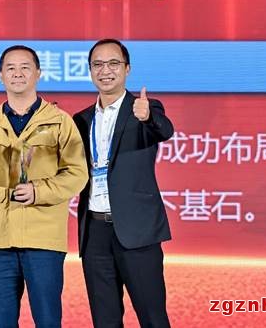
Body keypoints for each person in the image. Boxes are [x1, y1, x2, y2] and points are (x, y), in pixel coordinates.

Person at [0, 45, 88, 328]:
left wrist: (38, 191)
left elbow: (77, 173)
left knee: (48, 321)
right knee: (1, 322)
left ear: (38, 73)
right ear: (0, 75)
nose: (18, 74)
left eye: (25, 67)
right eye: (11, 68)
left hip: (44, 239)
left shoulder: (59, 121)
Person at [72, 39, 174, 328]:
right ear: (90, 70)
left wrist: (148, 116)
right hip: (94, 232)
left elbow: (164, 129)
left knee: (153, 318)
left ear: (127, 69)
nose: (105, 71)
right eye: (98, 64)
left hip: (137, 231)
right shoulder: (82, 119)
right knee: (105, 320)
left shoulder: (144, 108)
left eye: (113, 63)